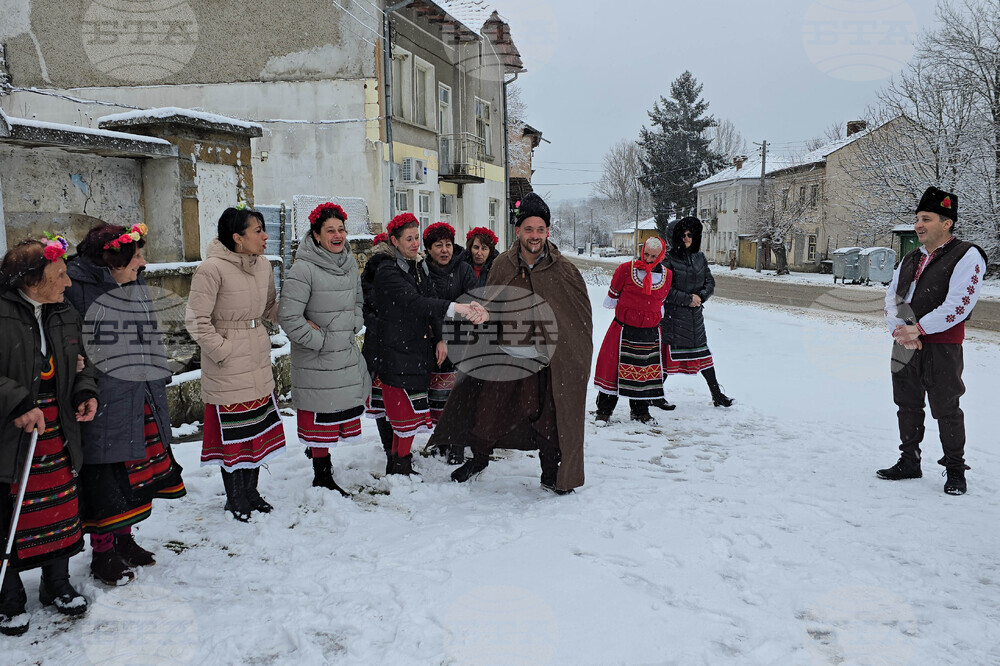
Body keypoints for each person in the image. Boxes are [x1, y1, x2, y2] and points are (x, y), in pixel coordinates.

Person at [443, 192, 594, 494]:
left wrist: (569, 356)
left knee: (550, 422)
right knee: (486, 413)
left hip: (546, 364)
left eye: (540, 229)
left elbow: (578, 320)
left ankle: (551, 473)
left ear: (547, 231)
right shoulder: (502, 265)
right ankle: (479, 459)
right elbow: (491, 306)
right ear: (518, 231)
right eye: (528, 229)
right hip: (506, 357)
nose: (534, 236)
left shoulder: (563, 270)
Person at [65, 223, 186, 586]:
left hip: (140, 394)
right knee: (105, 478)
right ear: (112, 261)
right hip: (102, 399)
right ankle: (102, 554)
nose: (143, 262)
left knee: (134, 476)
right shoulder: (76, 289)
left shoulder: (134, 284)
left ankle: (125, 540)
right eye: (135, 257)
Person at [0, 235, 98, 636]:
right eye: (59, 275)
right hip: (11, 430)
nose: (69, 283)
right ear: (31, 280)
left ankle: (56, 583)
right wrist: (18, 402)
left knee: (58, 510)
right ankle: (8, 597)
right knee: (9, 515)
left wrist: (85, 389)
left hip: (57, 429)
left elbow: (83, 360)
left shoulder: (64, 311)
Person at [878, 186, 987, 495]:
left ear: (947, 222)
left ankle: (955, 470)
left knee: (946, 406)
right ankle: (909, 460)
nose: (918, 225)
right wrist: (900, 330)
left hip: (942, 346)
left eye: (925, 218)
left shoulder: (967, 255)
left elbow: (958, 304)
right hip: (904, 344)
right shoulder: (911, 257)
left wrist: (920, 329)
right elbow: (892, 297)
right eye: (916, 219)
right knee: (906, 403)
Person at [361, 214, 486, 476]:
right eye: (409, 238)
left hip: (413, 350)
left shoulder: (415, 266)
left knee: (409, 411)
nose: (415, 243)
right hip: (394, 349)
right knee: (401, 412)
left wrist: (441, 337)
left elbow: (429, 299)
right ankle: (398, 466)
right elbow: (415, 303)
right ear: (394, 241)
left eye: (417, 237)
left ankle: (401, 463)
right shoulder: (386, 270)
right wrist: (455, 307)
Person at [185, 204, 285, 521]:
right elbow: (196, 321)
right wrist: (223, 351)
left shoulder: (263, 266)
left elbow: (270, 307)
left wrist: (300, 316)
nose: (266, 237)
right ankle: (235, 498)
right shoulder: (211, 269)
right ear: (238, 238)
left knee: (256, 430)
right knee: (235, 434)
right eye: (258, 231)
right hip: (228, 362)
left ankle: (252, 493)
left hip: (256, 355)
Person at [279, 203, 370, 496]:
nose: (337, 235)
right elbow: (289, 317)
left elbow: (358, 300)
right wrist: (320, 341)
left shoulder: (349, 263)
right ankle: (322, 476)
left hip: (343, 352)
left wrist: (354, 323)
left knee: (336, 414)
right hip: (316, 358)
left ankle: (323, 466)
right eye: (330, 230)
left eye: (341, 229)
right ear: (316, 235)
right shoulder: (304, 269)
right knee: (320, 416)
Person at [594, 236, 671, 424]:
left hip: (649, 333)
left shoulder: (667, 276)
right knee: (613, 371)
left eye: (654, 256)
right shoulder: (625, 270)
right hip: (623, 330)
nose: (649, 259)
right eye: (646, 254)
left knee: (643, 373)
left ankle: (640, 412)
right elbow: (612, 298)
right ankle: (604, 411)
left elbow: (660, 301)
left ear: (661, 256)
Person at [659, 216, 733, 408]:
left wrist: (700, 296)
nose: (687, 238)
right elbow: (664, 290)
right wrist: (687, 299)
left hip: (695, 317)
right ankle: (655, 395)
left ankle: (717, 395)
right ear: (674, 237)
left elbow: (710, 282)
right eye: (682, 235)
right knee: (668, 360)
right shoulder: (667, 261)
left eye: (690, 234)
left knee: (704, 357)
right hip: (674, 317)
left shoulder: (699, 257)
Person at [420, 222, 478, 464]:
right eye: (438, 245)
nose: (444, 250)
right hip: (432, 342)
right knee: (437, 395)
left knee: (459, 396)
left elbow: (473, 305)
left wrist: (447, 331)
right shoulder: (422, 271)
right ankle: (441, 438)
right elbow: (424, 305)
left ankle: (458, 445)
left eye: (447, 245)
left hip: (461, 341)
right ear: (429, 249)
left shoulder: (463, 270)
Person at [360, 232, 396, 464]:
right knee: (390, 401)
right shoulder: (387, 269)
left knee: (384, 402)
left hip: (378, 345)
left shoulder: (369, 273)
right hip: (386, 344)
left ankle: (391, 448)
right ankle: (393, 448)